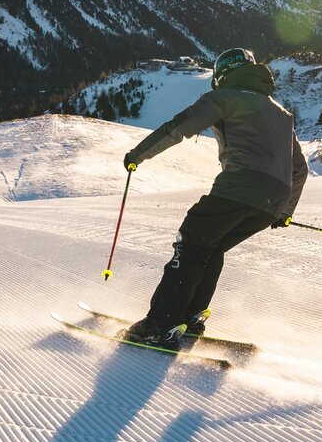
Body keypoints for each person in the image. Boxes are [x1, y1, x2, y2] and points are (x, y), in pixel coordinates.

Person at [118, 48, 309, 347]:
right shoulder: (282, 114)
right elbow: (299, 168)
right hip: (273, 201)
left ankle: (160, 324)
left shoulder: (223, 98)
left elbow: (179, 127)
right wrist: (285, 212)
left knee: (191, 245)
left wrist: (137, 155)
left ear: (222, 76)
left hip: (239, 187)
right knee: (211, 248)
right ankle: (191, 317)